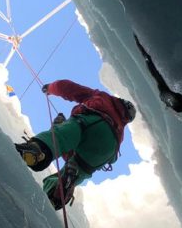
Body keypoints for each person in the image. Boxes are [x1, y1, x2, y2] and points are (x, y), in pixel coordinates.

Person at [15, 79, 136, 209]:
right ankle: (56, 193)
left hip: (92, 122)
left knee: (62, 136)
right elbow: (72, 154)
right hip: (107, 151)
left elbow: (68, 88)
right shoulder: (120, 130)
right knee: (77, 169)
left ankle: (38, 149)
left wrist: (50, 88)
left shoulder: (103, 97)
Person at [134, 33, 182, 113]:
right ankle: (138, 41)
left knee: (149, 61)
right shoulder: (173, 98)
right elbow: (177, 108)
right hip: (163, 84)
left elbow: (177, 108)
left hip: (161, 82)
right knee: (149, 61)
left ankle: (138, 42)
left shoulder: (170, 94)